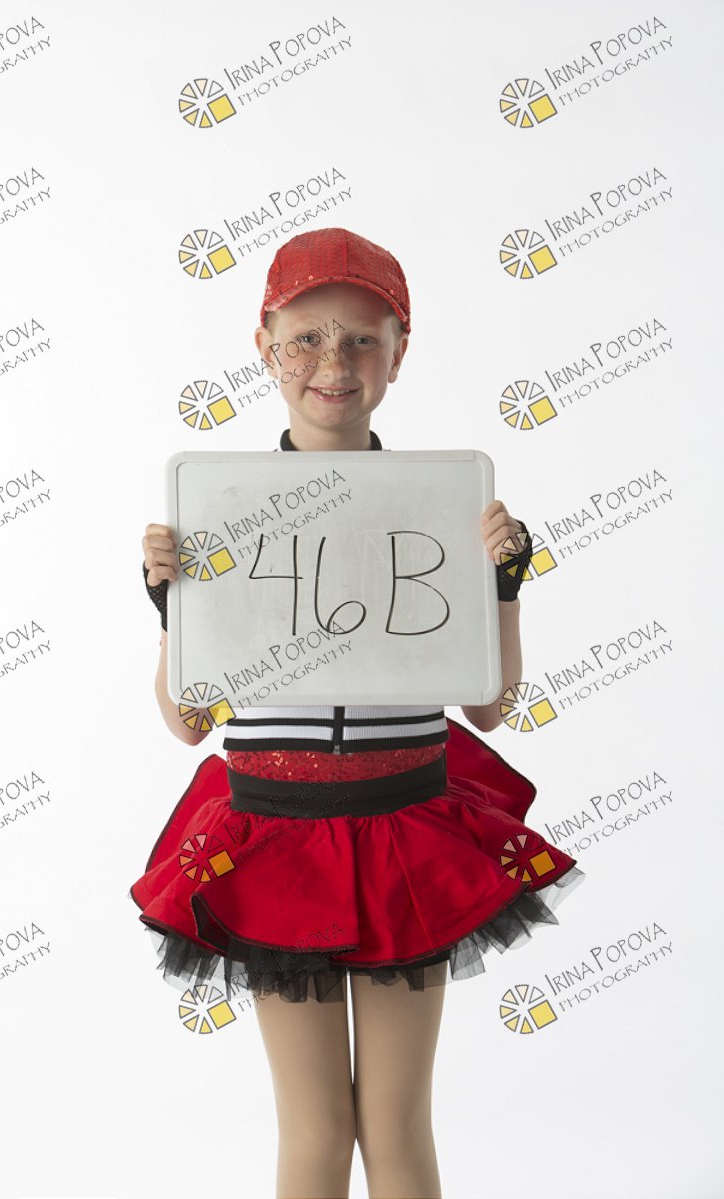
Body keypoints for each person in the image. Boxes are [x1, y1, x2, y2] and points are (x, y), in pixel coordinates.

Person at [129, 227, 586, 1199]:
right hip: (273, 836)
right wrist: (173, 610)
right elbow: (188, 722)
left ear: (398, 353)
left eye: (361, 339)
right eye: (305, 338)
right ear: (264, 347)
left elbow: (489, 707)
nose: (332, 362)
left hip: (404, 832)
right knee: (316, 1129)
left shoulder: (443, 505)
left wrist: (503, 588)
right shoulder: (219, 508)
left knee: (395, 1124)